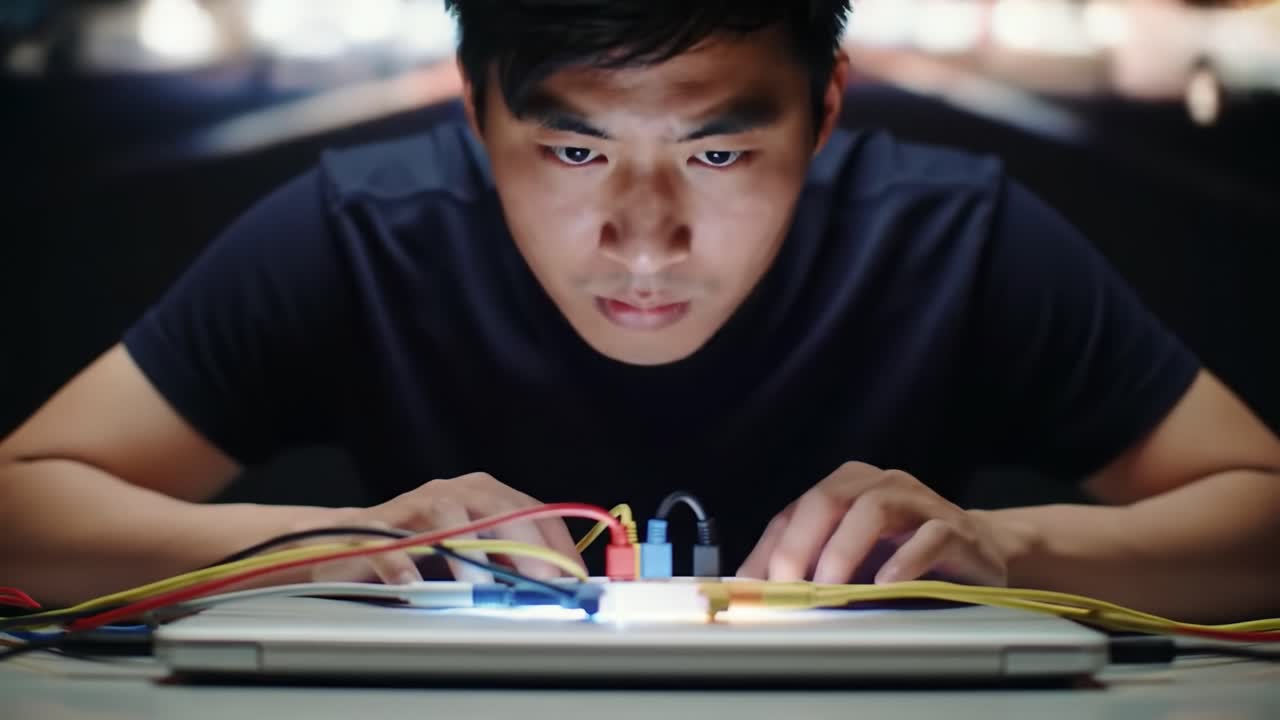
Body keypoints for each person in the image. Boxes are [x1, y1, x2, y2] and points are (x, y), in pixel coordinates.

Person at [1, 0, 1277, 622]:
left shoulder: (952, 235)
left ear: (826, 107)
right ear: (472, 106)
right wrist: (335, 540)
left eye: (718, 154)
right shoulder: (360, 229)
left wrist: (1006, 551)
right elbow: (23, 504)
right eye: (571, 153)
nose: (645, 238)